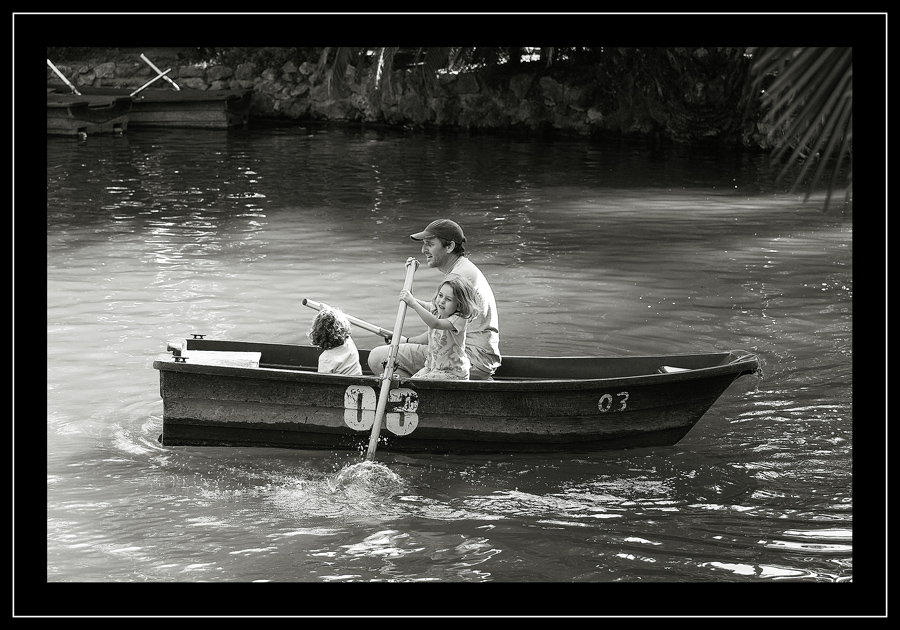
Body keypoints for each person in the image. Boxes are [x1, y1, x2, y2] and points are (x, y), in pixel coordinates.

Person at [367, 219, 501, 380]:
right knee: (389, 356)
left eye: (430, 244)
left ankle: (422, 391)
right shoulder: (460, 270)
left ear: (450, 247)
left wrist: (408, 339)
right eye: (424, 244)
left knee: (377, 358)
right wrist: (408, 340)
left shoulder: (459, 277)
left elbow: (438, 325)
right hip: (476, 357)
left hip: (467, 358)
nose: (423, 250)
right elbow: (437, 321)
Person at [400, 275, 480, 380]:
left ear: (459, 305)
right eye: (440, 295)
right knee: (411, 383)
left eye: (448, 299)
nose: (442, 301)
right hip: (433, 368)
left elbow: (435, 323)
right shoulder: (437, 310)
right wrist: (410, 298)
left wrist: (413, 303)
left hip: (453, 373)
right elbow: (423, 305)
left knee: (415, 385)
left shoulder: (459, 319)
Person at [307, 306, 363, 376]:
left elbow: (323, 380)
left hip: (341, 383)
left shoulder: (326, 359)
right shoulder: (349, 342)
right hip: (359, 380)